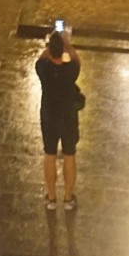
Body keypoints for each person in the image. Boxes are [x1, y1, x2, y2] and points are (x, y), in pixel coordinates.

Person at [35, 25, 81, 210]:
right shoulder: (71, 70)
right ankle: (68, 198)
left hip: (49, 116)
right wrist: (67, 44)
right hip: (68, 117)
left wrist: (52, 44)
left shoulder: (42, 68)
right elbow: (77, 60)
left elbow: (42, 58)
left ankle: (51, 198)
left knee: (50, 155)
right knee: (69, 155)